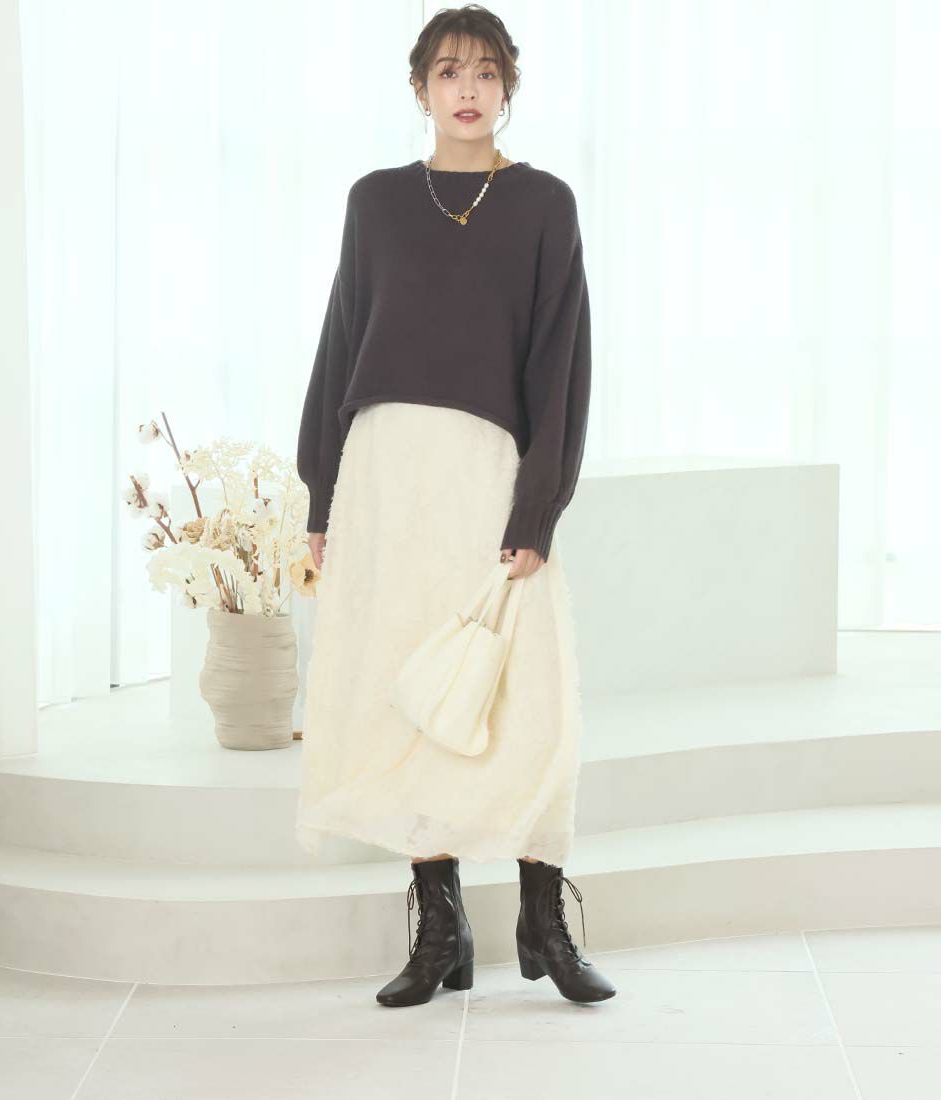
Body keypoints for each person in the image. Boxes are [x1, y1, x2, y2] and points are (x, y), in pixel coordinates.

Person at [294, 4, 615, 1008]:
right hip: (385, 472)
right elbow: (341, 341)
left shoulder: (544, 205)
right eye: (446, 71)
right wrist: (320, 495)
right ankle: (440, 928)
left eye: (483, 71)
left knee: (526, 693)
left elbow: (561, 364)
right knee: (407, 687)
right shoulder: (375, 202)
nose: (466, 89)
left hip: (488, 472)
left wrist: (536, 509)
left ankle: (541, 921)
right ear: (419, 88)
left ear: (507, 87)